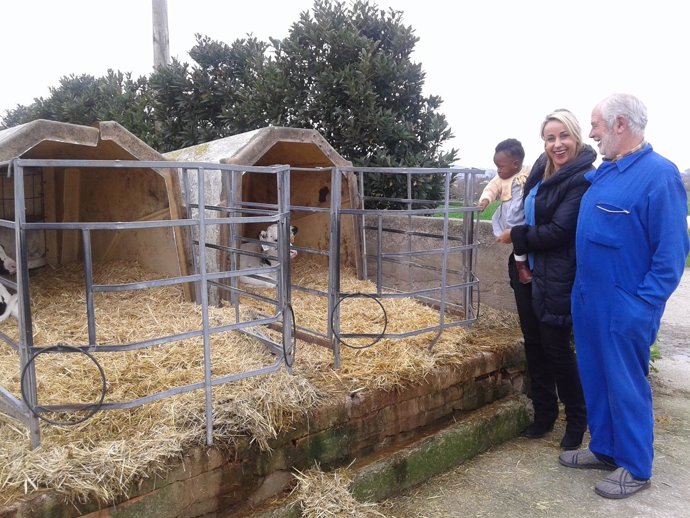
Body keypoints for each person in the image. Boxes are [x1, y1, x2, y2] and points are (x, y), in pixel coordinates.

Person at [559, 93, 690, 499]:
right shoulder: (609, 172)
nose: (592, 133)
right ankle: (605, 448)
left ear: (619, 125)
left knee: (626, 383)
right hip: (590, 300)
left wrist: (644, 304)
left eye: (596, 124)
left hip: (625, 304)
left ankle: (635, 466)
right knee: (596, 377)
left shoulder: (659, 175)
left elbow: (671, 253)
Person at [497, 109, 596, 450]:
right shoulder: (541, 166)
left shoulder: (583, 178)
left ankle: (577, 419)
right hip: (525, 270)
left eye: (563, 136)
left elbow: (560, 231)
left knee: (557, 348)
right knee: (534, 344)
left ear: (576, 136)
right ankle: (544, 414)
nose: (557, 144)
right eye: (550, 138)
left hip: (557, 274)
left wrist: (517, 235)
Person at [477, 138, 532, 283]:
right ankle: (521, 267)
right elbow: (491, 189)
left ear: (515, 164)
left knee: (526, 239)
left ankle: (525, 264)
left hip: (526, 214)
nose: (498, 170)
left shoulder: (529, 170)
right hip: (511, 216)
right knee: (518, 241)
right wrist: (485, 200)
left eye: (500, 166)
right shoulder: (499, 179)